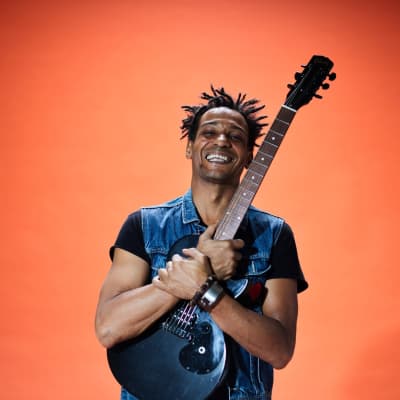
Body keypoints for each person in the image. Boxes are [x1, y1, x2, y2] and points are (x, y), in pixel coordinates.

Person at [95, 86, 308, 400]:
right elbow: (108, 328)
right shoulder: (143, 225)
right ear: (189, 147)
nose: (221, 140)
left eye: (235, 136)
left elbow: (279, 351)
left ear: (250, 155)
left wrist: (206, 290)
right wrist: (185, 276)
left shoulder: (275, 234)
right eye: (209, 132)